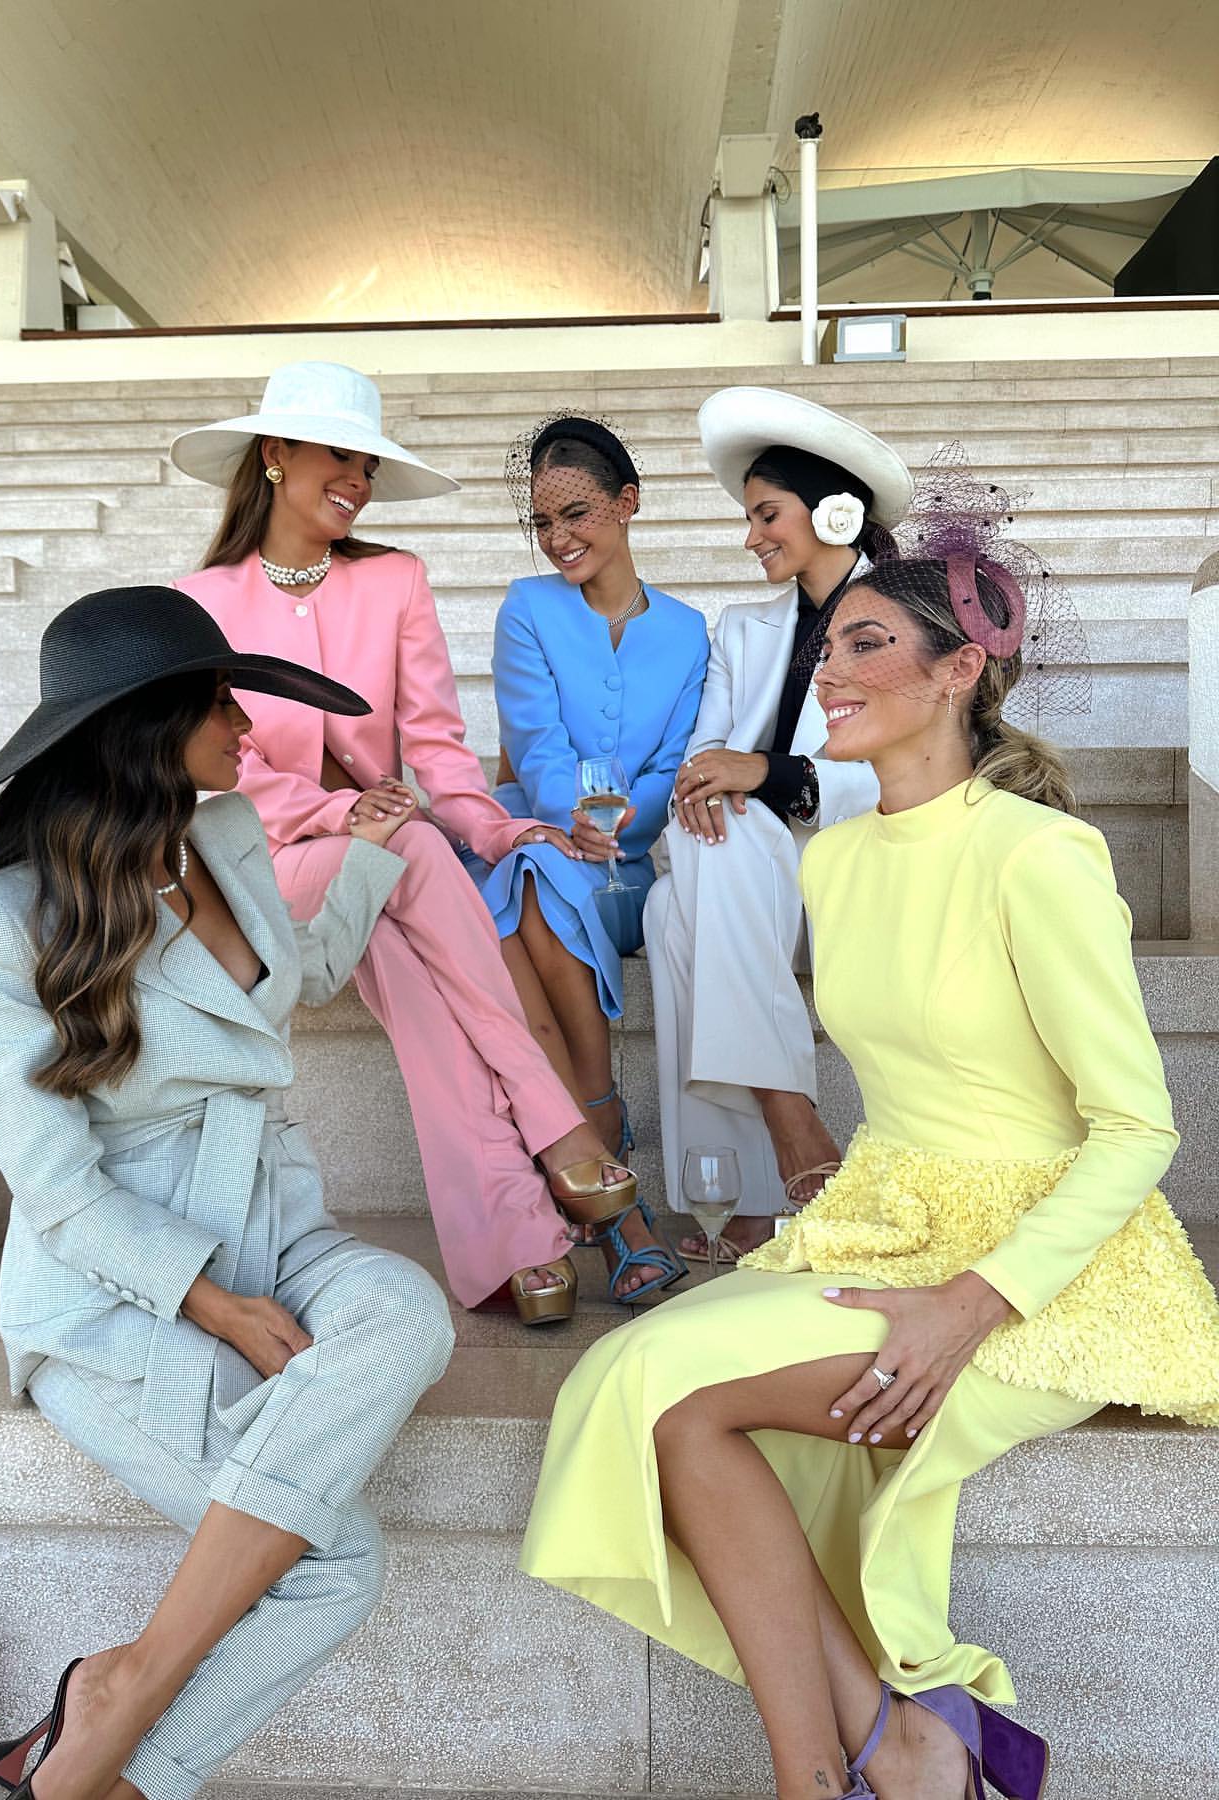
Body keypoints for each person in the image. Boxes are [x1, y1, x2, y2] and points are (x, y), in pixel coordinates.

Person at [521, 488, 1219, 1800]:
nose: (827, 672)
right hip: (884, 1223)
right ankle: (887, 1754)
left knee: (663, 1393)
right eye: (827, 646)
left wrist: (971, 1304)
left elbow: (1139, 1127)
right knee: (636, 1385)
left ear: (957, 674)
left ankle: (850, 1768)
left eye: (865, 645)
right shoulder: (835, 863)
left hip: (1047, 1266)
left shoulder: (1042, 855)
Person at [0, 586, 457, 1800]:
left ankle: (121, 1689)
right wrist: (214, 1305)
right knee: (335, 1568)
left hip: (278, 1219)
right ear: (145, 727)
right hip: (112, 1292)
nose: (246, 728)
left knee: (408, 1310)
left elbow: (294, 978)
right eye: (219, 703)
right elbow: (58, 1192)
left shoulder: (227, 837)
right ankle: (127, 1767)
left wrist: (370, 854)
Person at [169, 361, 637, 1323]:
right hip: (261, 861)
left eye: (369, 467)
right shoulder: (200, 600)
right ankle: (558, 1129)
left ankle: (518, 1239)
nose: (358, 481)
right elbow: (217, 768)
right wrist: (343, 814)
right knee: (408, 851)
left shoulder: (393, 581)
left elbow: (436, 748)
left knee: (397, 907)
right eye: (339, 457)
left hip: (378, 861)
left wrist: (502, 826)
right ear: (275, 455)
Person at [644, 388, 911, 1261]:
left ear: (835, 512)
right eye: (748, 517)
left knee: (684, 898)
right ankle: (782, 1156)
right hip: (750, 866)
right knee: (685, 883)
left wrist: (769, 774)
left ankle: (755, 1180)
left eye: (767, 514)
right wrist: (721, 780)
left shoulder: (904, 624)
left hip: (856, 854)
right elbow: (707, 752)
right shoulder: (742, 629)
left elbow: (909, 765)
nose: (751, 536)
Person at [464, 413, 709, 1300]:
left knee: (535, 891)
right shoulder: (527, 609)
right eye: (543, 522)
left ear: (627, 503)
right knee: (533, 874)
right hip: (536, 839)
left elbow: (676, 761)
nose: (558, 537)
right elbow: (534, 744)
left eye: (576, 513)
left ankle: (590, 1155)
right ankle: (606, 1146)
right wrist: (571, 816)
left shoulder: (688, 631)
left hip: (631, 870)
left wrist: (622, 823)